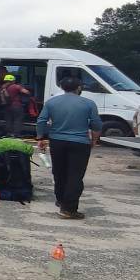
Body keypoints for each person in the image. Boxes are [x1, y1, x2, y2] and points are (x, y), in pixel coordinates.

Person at [36, 76, 102, 220]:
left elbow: (41, 120)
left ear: (62, 87)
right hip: (80, 143)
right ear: (79, 88)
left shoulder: (52, 102)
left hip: (57, 141)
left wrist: (40, 138)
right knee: (75, 175)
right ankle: (69, 209)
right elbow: (96, 125)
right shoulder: (88, 103)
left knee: (59, 172)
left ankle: (61, 201)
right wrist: (94, 141)